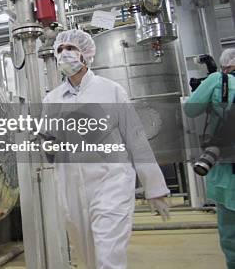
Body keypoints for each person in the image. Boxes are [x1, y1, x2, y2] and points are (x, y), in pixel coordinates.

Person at [43, 29, 170, 269]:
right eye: (60, 50)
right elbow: (49, 141)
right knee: (88, 257)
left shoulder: (111, 91)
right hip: (72, 187)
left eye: (71, 48)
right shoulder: (52, 100)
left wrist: (154, 187)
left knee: (108, 256)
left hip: (112, 181)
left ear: (86, 54)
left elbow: (136, 140)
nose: (64, 54)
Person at [184, 48, 235, 269]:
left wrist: (202, 88)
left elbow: (191, 110)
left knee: (231, 232)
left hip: (227, 165)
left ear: (225, 65)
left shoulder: (218, 80)